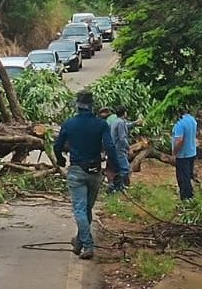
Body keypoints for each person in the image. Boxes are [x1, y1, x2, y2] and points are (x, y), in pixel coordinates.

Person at [53, 89, 119, 260]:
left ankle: (87, 245)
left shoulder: (69, 124)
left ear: (77, 106)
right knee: (86, 209)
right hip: (95, 171)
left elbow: (57, 146)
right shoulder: (101, 124)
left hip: (76, 170)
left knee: (80, 210)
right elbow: (110, 147)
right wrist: (116, 168)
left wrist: (60, 160)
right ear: (92, 106)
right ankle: (79, 241)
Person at [109, 106, 143, 191]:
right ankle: (117, 187)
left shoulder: (117, 121)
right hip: (119, 149)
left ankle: (119, 186)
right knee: (125, 168)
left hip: (116, 148)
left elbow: (126, 125)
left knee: (120, 167)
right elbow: (122, 138)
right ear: (124, 113)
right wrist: (129, 148)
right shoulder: (120, 122)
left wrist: (135, 123)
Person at [172, 106, 199, 201]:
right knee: (188, 176)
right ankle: (190, 196)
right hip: (192, 152)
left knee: (183, 179)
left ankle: (186, 199)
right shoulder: (192, 120)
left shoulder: (180, 123)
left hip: (182, 155)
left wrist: (174, 153)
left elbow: (179, 140)